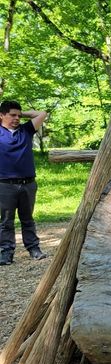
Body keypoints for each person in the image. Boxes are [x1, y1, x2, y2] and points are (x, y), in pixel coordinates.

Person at [0, 100, 49, 266]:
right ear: (2, 115)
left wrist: (23, 113)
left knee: (27, 218)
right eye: (12, 115)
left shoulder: (26, 130)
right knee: (6, 220)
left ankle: (34, 249)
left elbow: (42, 113)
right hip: (5, 184)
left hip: (28, 183)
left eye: (18, 115)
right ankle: (6, 252)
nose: (16, 118)